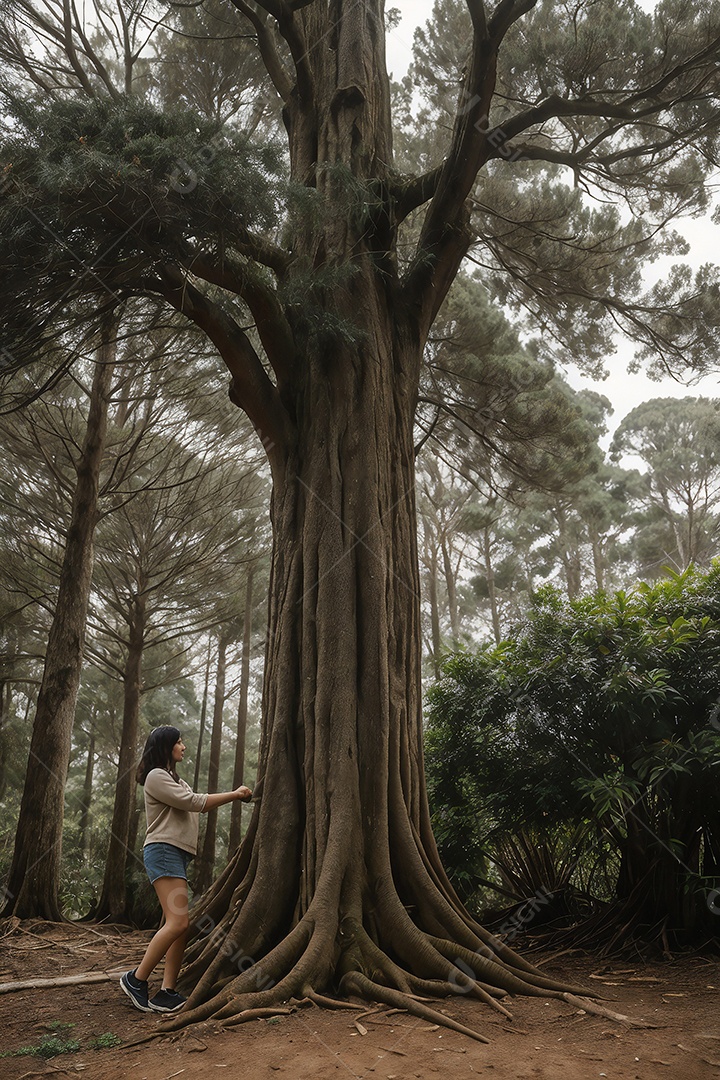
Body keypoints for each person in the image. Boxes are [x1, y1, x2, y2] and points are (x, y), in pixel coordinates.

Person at [120, 725, 252, 1014]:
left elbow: (193, 799)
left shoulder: (174, 779)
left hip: (175, 855)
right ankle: (136, 979)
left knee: (179, 926)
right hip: (163, 851)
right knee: (178, 924)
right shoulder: (156, 777)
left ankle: (167, 992)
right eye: (179, 742)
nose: (183, 746)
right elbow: (195, 804)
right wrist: (235, 794)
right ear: (166, 746)